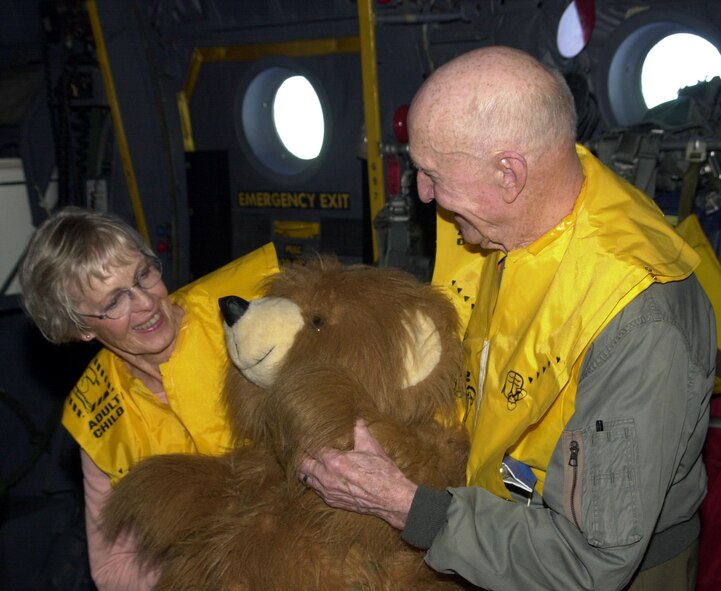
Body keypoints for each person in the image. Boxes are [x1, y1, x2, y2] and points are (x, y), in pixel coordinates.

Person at [299, 46, 717, 590]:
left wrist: (407, 506)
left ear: (508, 174)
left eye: (432, 174)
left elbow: (588, 562)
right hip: (492, 525)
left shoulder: (637, 321)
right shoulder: (512, 223)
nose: (423, 194)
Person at [19, 206, 279, 590]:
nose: (145, 302)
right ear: (80, 329)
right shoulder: (100, 419)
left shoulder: (253, 310)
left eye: (143, 274)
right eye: (113, 302)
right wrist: (207, 573)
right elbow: (113, 568)